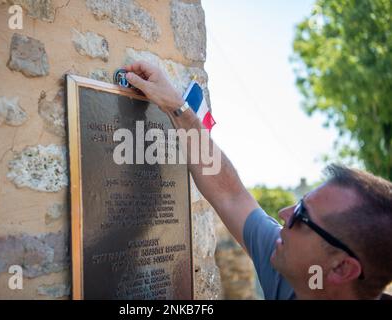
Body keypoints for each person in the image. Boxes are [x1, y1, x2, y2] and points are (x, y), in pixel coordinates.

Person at [123, 61, 392, 300]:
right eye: (298, 204)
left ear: (342, 268)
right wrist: (177, 108)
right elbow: (231, 195)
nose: (284, 214)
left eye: (302, 216)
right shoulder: (297, 276)